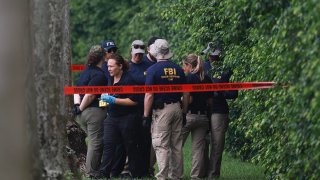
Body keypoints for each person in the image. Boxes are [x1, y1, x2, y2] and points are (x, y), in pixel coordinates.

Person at [143, 39, 189, 180]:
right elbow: (186, 93)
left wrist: (145, 115)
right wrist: (184, 112)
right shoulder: (179, 70)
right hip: (177, 108)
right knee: (176, 145)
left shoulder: (152, 70)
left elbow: (149, 94)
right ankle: (176, 176)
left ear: (156, 52)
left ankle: (162, 177)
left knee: (161, 145)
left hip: (162, 112)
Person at [99, 54, 140, 179]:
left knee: (129, 145)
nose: (109, 68)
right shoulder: (110, 79)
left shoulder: (129, 80)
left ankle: (135, 173)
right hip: (111, 117)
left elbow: (134, 101)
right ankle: (104, 173)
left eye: (111, 66)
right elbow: (109, 96)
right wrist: (104, 101)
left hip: (127, 117)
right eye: (108, 66)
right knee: (108, 145)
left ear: (120, 66)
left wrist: (114, 100)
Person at [72, 45, 108, 178]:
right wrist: (80, 108)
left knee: (94, 141)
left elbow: (77, 89)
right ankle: (91, 172)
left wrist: (77, 106)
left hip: (83, 113)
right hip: (93, 111)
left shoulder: (85, 72)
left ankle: (93, 169)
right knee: (96, 142)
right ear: (103, 57)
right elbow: (90, 94)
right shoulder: (99, 75)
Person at [204, 48, 238, 178]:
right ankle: (201, 172)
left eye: (215, 56)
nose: (212, 58)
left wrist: (221, 92)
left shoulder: (226, 69)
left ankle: (213, 174)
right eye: (211, 55)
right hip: (203, 110)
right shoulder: (202, 66)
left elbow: (234, 93)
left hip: (219, 110)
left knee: (217, 144)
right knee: (202, 143)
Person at [181, 54, 213, 179]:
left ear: (189, 65)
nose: (183, 68)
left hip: (189, 116)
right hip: (203, 117)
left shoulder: (188, 78)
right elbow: (210, 102)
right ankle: (196, 177)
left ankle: (176, 174)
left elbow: (188, 99)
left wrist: (183, 111)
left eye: (184, 65)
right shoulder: (207, 79)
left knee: (177, 146)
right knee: (198, 150)